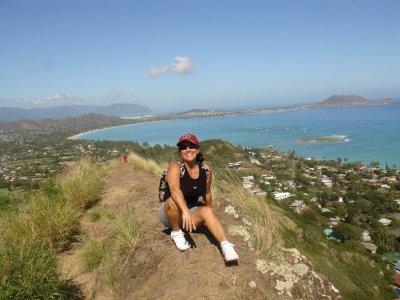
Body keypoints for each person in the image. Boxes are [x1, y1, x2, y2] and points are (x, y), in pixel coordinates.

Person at [158, 133, 239, 263]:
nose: (188, 149)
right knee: (174, 201)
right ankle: (176, 232)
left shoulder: (206, 170)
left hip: (190, 212)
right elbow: (174, 190)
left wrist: (209, 213)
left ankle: (225, 245)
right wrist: (184, 211)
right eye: (184, 147)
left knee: (206, 211)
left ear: (198, 149)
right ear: (180, 151)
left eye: (192, 146)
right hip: (170, 213)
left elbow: (207, 193)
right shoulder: (176, 167)